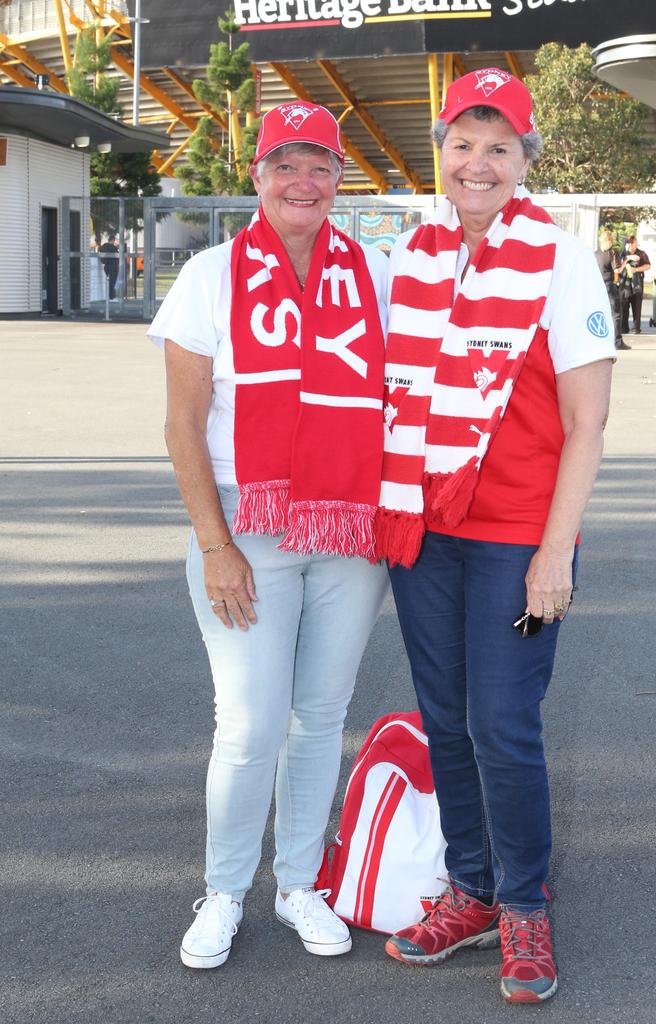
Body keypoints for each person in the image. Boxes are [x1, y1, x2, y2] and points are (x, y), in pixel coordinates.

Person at [374, 68, 615, 1004]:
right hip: (427, 531)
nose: (478, 163)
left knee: (503, 725)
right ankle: (470, 888)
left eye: (498, 146)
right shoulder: (414, 255)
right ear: (441, 154)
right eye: (462, 144)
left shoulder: (561, 259)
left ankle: (524, 902)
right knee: (445, 720)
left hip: (519, 537)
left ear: (523, 162)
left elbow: (588, 425)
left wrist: (558, 551)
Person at [147, 102, 390, 969]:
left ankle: (298, 885)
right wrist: (215, 546)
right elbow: (181, 425)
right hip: (244, 525)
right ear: (256, 176)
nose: (304, 181)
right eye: (286, 164)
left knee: (320, 718)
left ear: (337, 180)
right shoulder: (210, 275)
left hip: (348, 531)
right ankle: (222, 892)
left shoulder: (376, 276)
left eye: (320, 165)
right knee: (250, 724)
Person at [595, 229, 628, 349]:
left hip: (598, 286)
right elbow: (617, 270)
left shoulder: (595, 253)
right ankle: (617, 342)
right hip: (609, 285)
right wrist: (626, 261)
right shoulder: (612, 253)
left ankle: (601, 340)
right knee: (616, 313)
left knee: (601, 313)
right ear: (610, 240)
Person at [618, 235, 650, 334]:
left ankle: (636, 328)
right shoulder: (622, 254)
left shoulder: (642, 254)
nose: (631, 245)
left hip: (637, 283)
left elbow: (648, 266)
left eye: (633, 243)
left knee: (637, 306)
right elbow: (618, 267)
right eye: (629, 243)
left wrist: (636, 269)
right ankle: (624, 328)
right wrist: (628, 258)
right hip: (624, 284)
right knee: (624, 306)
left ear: (636, 243)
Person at [99, 233, 119, 300]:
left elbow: (101, 256)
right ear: (113, 240)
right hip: (113, 267)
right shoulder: (114, 247)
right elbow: (117, 257)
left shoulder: (103, 246)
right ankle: (111, 296)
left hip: (105, 267)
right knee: (112, 282)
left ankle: (105, 295)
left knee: (106, 282)